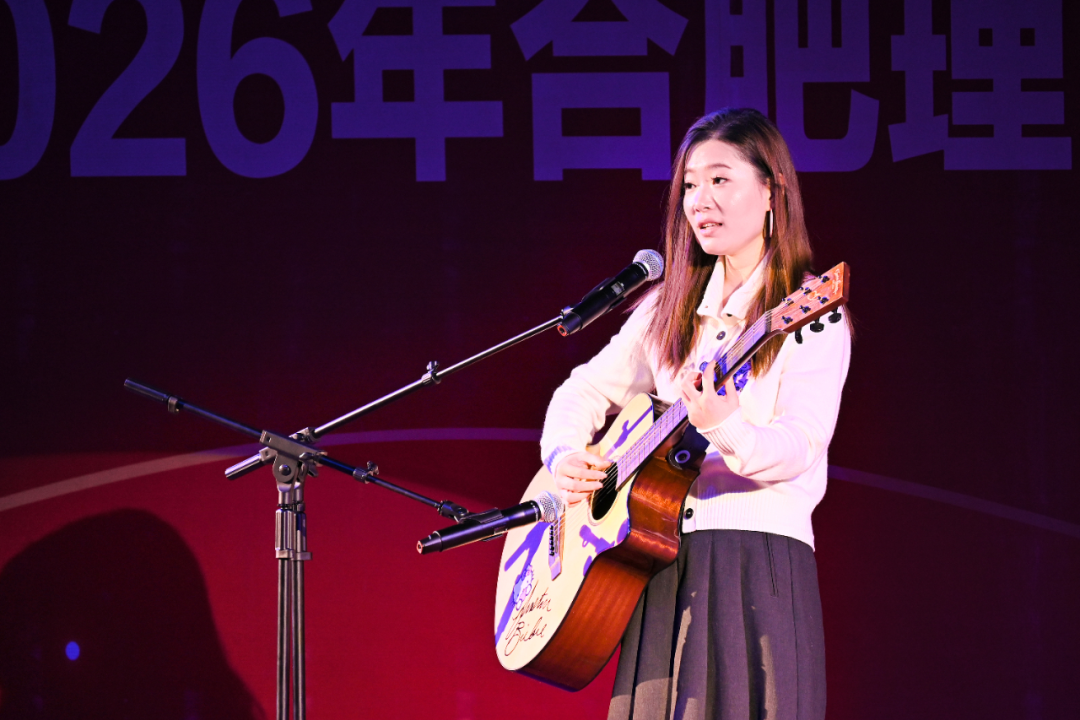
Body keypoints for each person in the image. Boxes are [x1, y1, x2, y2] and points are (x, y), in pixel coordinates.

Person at [538, 108, 852, 720]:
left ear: (771, 190)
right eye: (689, 185)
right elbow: (583, 389)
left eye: (720, 180)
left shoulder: (810, 310)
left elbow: (802, 443)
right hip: (658, 561)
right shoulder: (666, 307)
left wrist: (725, 425)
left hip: (756, 563)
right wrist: (565, 453)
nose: (700, 201)